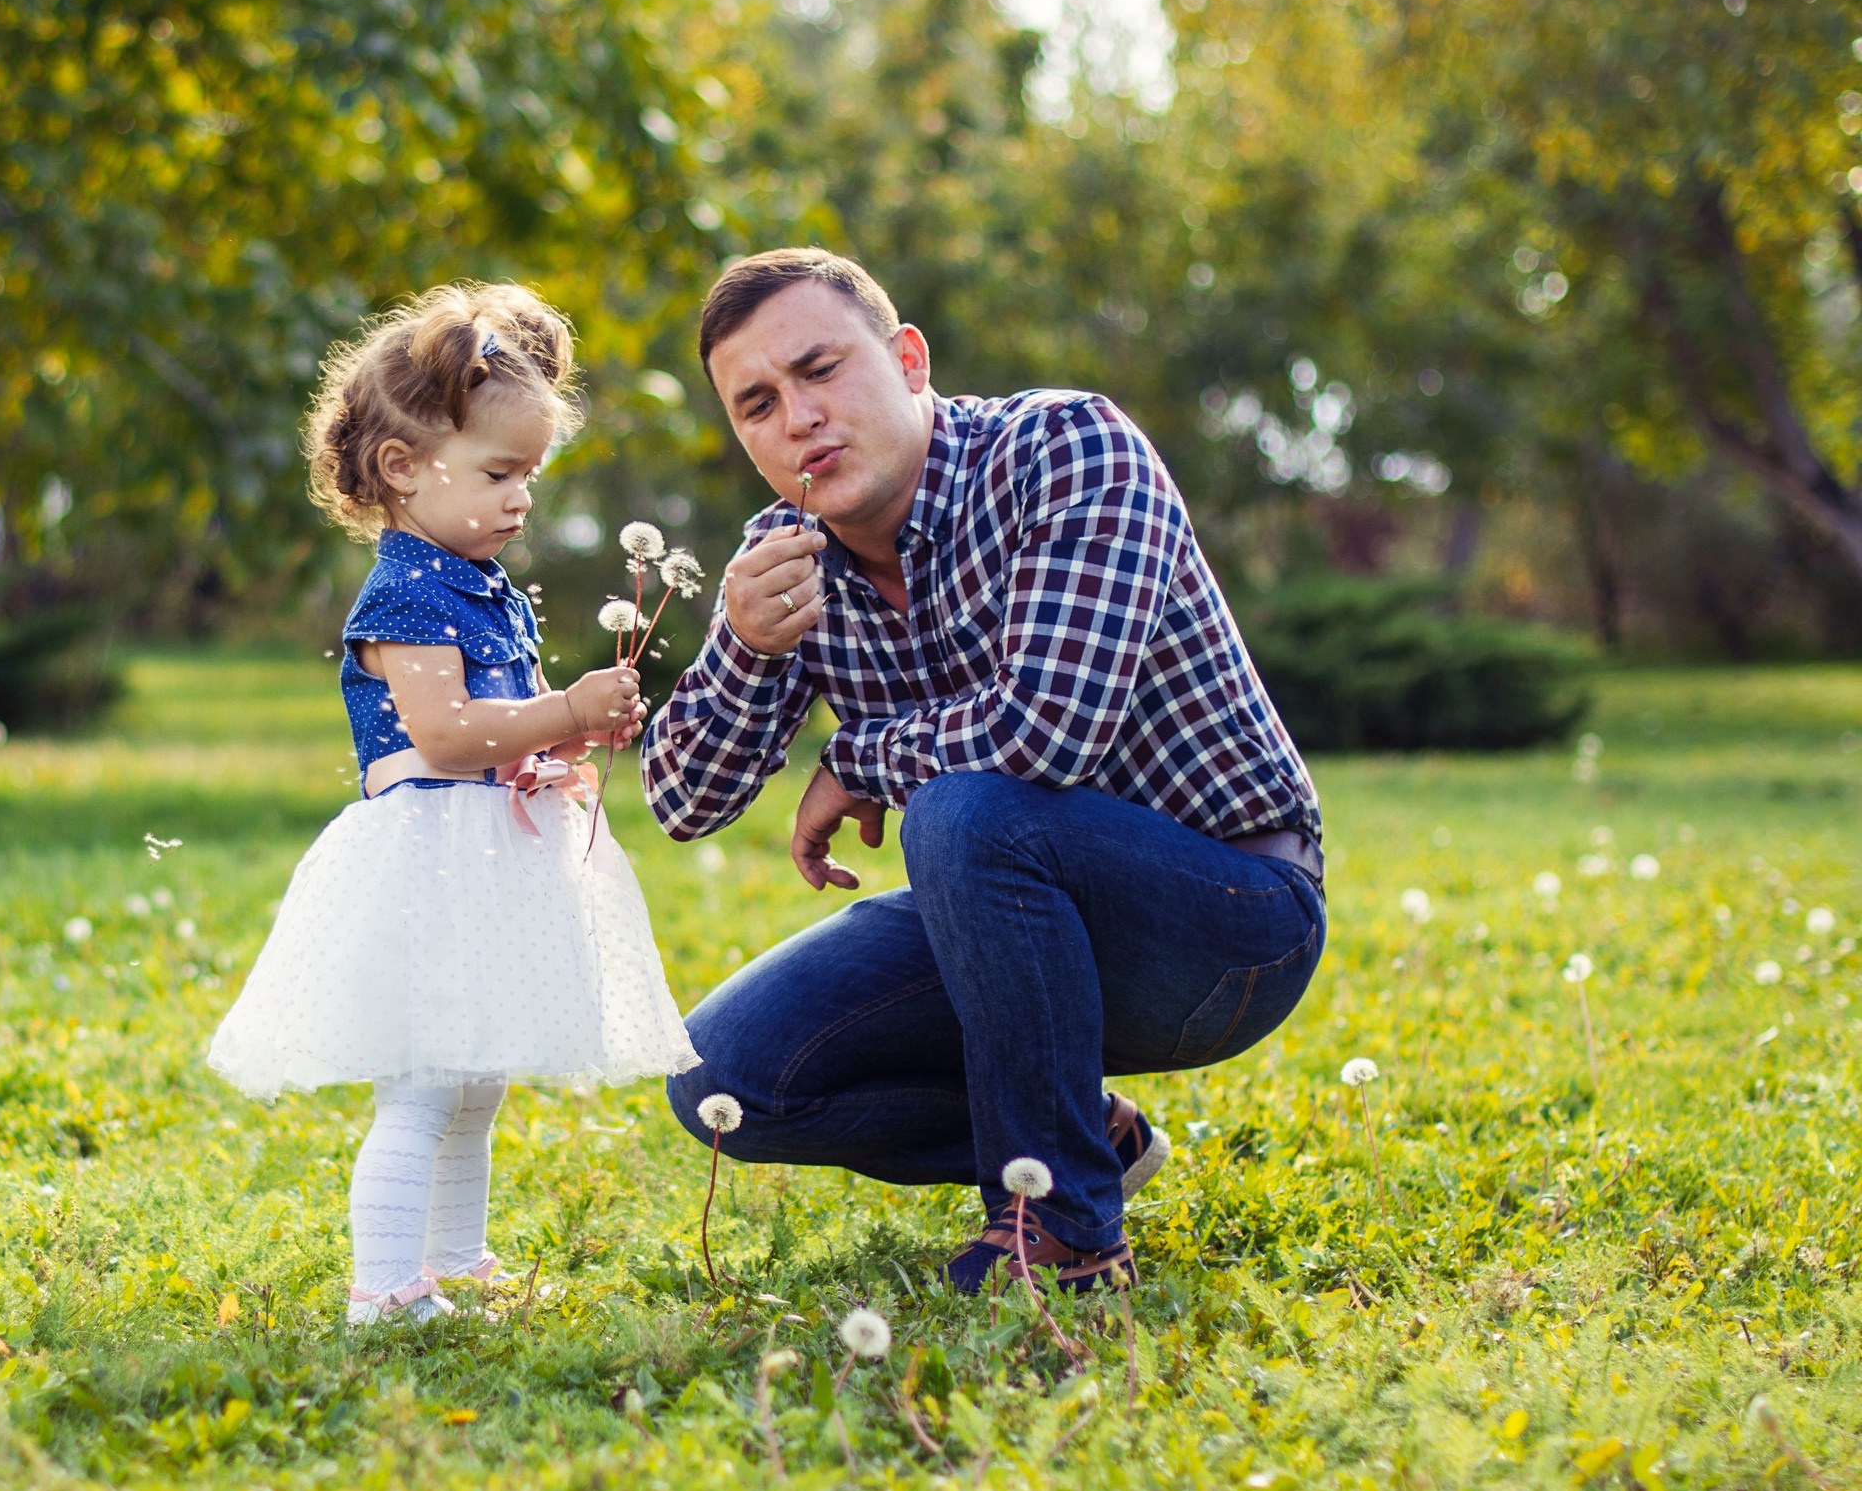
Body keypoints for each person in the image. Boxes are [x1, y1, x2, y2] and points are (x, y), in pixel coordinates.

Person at [644, 249, 1326, 1296]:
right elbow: (681, 801)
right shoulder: (786, 558)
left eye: (821, 369)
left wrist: (856, 757)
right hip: (1004, 933)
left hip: (1224, 928)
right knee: (722, 1078)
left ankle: (1066, 1232)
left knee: (963, 811)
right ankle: (1082, 1132)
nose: (798, 418)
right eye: (758, 405)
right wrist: (746, 644)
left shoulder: (1066, 449)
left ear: (907, 359)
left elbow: (1043, 735)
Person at [208, 282, 700, 1324]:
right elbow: (443, 735)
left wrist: (570, 733)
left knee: (476, 1081)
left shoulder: (483, 583)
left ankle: (458, 1260)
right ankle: (384, 1288)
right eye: (499, 472)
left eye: (530, 473)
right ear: (402, 468)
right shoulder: (407, 593)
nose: (523, 498)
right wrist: (558, 705)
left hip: (487, 852)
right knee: (428, 1081)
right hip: (429, 862)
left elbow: (503, 726)